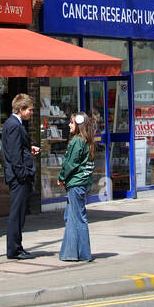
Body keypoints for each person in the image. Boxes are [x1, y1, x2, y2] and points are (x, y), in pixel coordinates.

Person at [2, 93, 39, 260]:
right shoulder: (14, 126)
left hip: (19, 175)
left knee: (20, 213)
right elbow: (14, 155)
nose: (31, 113)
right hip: (18, 177)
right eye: (30, 110)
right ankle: (14, 249)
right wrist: (23, 173)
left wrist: (29, 149)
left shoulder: (14, 124)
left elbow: (17, 149)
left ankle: (17, 247)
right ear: (21, 109)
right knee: (17, 214)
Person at [56, 112, 94, 262]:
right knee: (70, 217)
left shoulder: (77, 141)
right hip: (83, 183)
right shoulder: (88, 141)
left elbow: (70, 163)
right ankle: (69, 252)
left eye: (71, 123)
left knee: (78, 218)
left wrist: (61, 177)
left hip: (76, 184)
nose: (69, 125)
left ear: (78, 125)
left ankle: (84, 253)